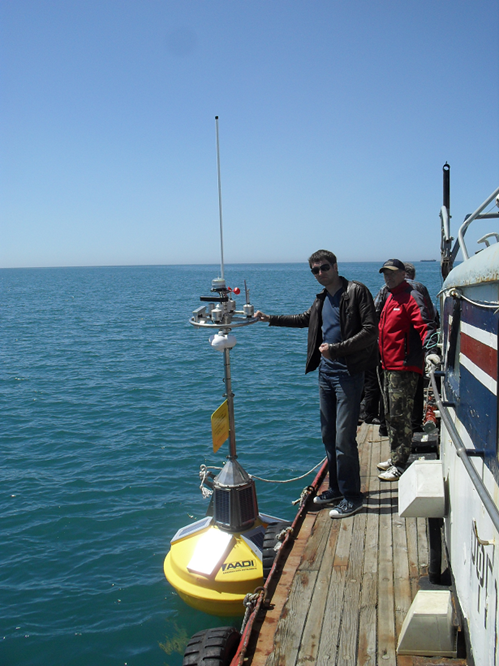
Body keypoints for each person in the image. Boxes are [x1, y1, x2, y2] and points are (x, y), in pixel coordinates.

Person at [255, 250, 378, 518]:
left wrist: (336, 350)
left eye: (324, 268)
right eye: (314, 270)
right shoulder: (321, 298)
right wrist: (270, 319)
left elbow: (370, 331)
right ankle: (335, 488)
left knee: (344, 438)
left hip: (348, 374)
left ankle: (352, 496)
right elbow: (304, 320)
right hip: (326, 375)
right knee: (329, 437)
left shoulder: (357, 292)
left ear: (335, 266)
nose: (320, 273)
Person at [376, 259, 439, 482]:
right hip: (388, 365)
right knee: (391, 415)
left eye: (392, 273)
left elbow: (425, 324)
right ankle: (395, 457)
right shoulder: (389, 296)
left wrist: (431, 350)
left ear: (404, 273)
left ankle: (400, 463)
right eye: (385, 273)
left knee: (400, 417)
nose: (388, 277)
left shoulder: (411, 295)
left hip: (404, 366)